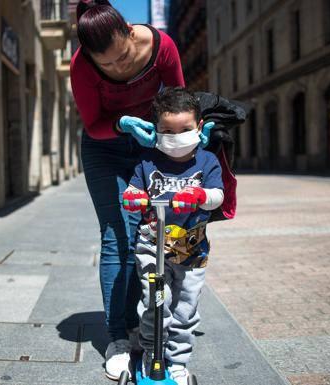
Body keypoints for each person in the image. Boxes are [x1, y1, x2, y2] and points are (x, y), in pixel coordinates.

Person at [70, 1, 208, 380]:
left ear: (131, 33)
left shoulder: (162, 46)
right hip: (105, 147)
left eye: (122, 57)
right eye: (108, 65)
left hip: (152, 144)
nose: (118, 68)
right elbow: (93, 123)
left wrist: (189, 140)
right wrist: (122, 124)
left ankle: (139, 323)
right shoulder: (81, 66)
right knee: (118, 235)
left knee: (149, 235)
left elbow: (179, 99)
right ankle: (117, 336)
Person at [122, 87, 224, 385]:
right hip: (152, 246)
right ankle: (151, 355)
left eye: (184, 129)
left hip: (192, 253)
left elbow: (217, 196)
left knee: (185, 308)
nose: (176, 136)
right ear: (156, 130)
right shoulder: (147, 162)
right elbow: (134, 190)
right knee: (156, 303)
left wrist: (199, 195)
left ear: (199, 128)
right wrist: (133, 197)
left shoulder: (206, 162)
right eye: (167, 130)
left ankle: (177, 360)